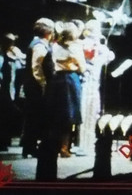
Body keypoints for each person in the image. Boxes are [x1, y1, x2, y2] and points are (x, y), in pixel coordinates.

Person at [36, 23, 86, 180]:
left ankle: (55, 145)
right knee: (69, 116)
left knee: (57, 115)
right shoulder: (76, 48)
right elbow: (82, 68)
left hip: (56, 80)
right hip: (70, 79)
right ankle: (64, 147)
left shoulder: (54, 46)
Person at [78, 20, 115, 153]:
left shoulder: (101, 47)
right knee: (85, 113)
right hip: (85, 83)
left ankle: (90, 142)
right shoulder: (83, 44)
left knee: (93, 113)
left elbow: (108, 58)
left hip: (95, 84)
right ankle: (83, 145)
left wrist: (106, 53)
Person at [21, 18, 54, 158]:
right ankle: (30, 147)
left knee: (32, 117)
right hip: (36, 86)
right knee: (35, 117)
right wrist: (43, 84)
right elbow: (36, 67)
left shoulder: (37, 43)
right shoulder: (39, 45)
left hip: (33, 85)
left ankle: (28, 146)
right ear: (47, 31)